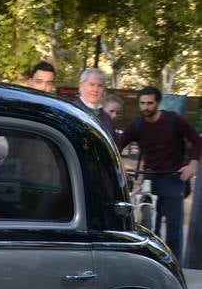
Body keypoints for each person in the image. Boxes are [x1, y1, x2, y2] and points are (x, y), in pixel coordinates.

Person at [117, 86, 202, 258]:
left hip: (173, 177)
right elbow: (115, 146)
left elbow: (196, 140)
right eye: (142, 103)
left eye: (150, 103)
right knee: (149, 228)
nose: (146, 107)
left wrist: (192, 165)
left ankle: (175, 268)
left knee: (174, 229)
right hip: (150, 178)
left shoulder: (173, 120)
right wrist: (119, 167)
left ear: (158, 103)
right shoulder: (137, 125)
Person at [74, 67, 115, 132]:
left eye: (100, 85)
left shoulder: (107, 118)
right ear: (81, 86)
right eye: (92, 84)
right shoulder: (71, 111)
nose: (95, 89)